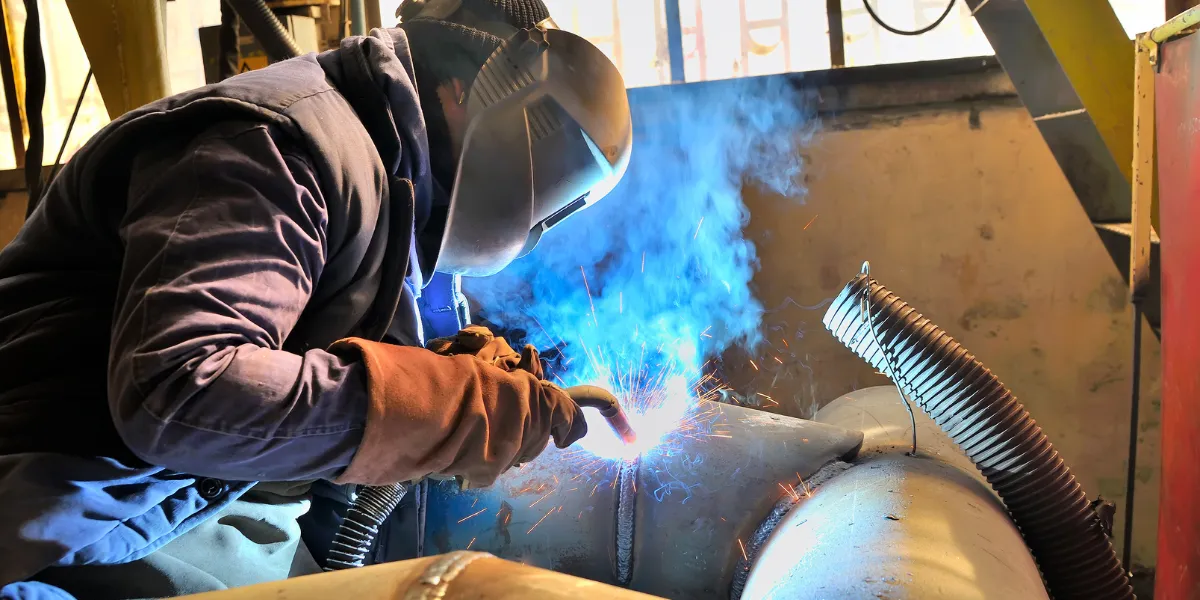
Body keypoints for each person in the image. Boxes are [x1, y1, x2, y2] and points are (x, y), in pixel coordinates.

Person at [0, 0, 632, 596]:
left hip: (190, 505)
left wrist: (440, 375)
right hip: (62, 513)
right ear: (471, 89)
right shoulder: (276, 143)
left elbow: (301, 372)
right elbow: (178, 388)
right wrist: (440, 406)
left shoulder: (396, 181)